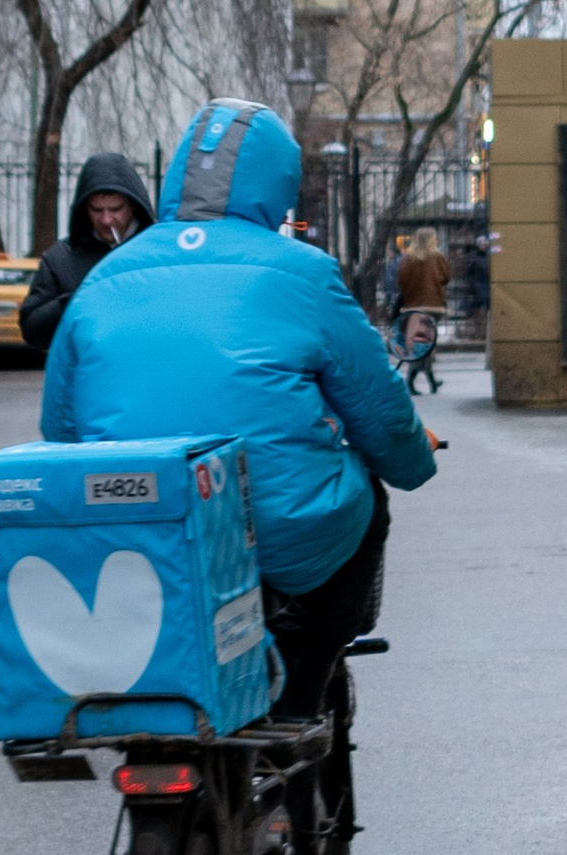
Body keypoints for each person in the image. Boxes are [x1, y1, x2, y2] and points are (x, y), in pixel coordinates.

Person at [41, 99, 435, 714]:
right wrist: (412, 463)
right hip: (276, 535)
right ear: (278, 183)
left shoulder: (106, 277)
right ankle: (300, 698)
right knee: (367, 510)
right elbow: (377, 408)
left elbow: (60, 430)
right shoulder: (303, 272)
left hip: (137, 530)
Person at [19, 148, 154, 361]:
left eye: (116, 209)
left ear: (133, 206)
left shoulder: (156, 252)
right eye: (97, 210)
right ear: (84, 208)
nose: (106, 220)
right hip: (86, 380)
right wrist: (74, 301)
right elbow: (33, 332)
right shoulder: (60, 258)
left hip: (144, 374)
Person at [394, 232, 451, 394]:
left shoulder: (408, 258)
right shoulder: (438, 257)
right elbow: (447, 277)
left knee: (420, 342)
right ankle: (421, 379)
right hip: (433, 306)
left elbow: (400, 279)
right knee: (426, 343)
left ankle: (423, 379)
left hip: (413, 306)